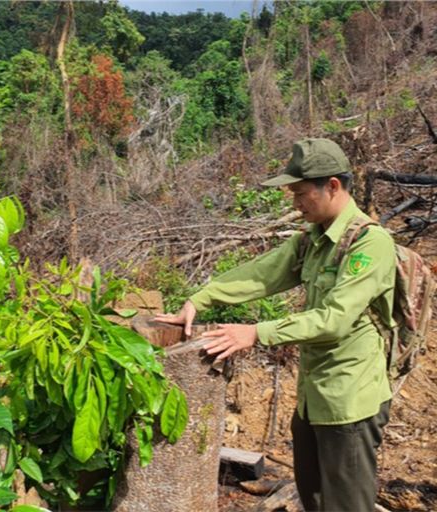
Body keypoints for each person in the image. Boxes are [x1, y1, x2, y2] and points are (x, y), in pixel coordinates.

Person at [156, 138, 396, 512]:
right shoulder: (313, 239)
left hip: (350, 402)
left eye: (301, 194)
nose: (295, 203)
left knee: (348, 506)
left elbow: (334, 320)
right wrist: (198, 300)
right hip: (314, 399)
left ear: (332, 186)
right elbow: (262, 274)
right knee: (314, 500)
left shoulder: (369, 244)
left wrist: (255, 333)